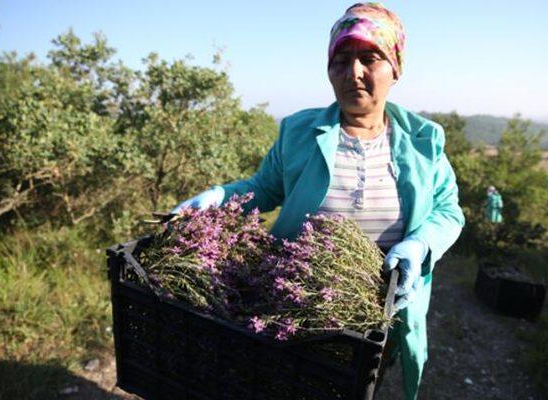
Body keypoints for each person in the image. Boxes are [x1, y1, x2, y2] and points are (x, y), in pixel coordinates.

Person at [171, 3, 464, 399]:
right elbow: (265, 189)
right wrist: (221, 197)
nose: (354, 72)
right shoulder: (299, 132)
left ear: (395, 68)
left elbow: (448, 210)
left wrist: (421, 243)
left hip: (379, 312)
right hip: (295, 306)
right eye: (341, 61)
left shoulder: (424, 141)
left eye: (369, 58)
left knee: (361, 385)